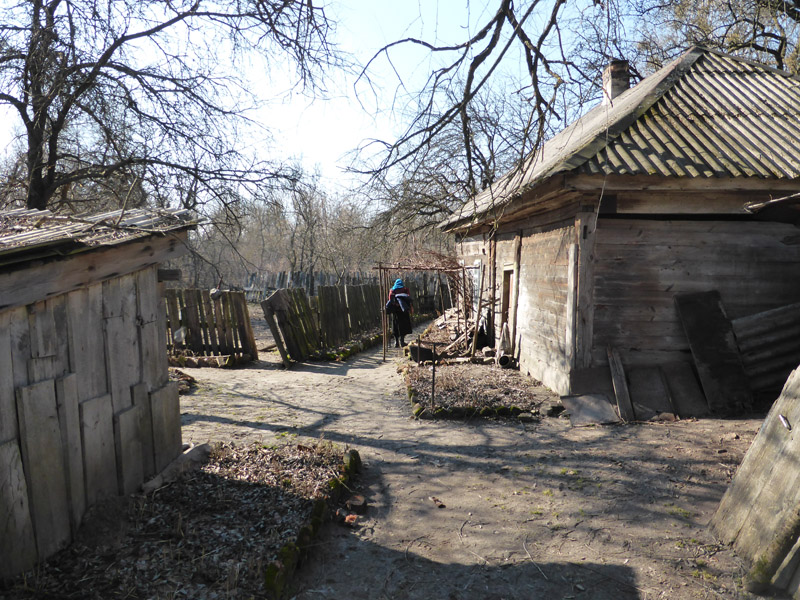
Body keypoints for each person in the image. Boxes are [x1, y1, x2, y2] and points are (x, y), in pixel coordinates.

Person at [387, 278, 413, 347]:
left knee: (395, 326)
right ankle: (402, 341)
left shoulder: (392, 290)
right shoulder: (405, 289)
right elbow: (408, 299)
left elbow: (390, 299)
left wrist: (395, 304)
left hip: (395, 312)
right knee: (403, 327)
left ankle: (396, 342)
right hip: (403, 312)